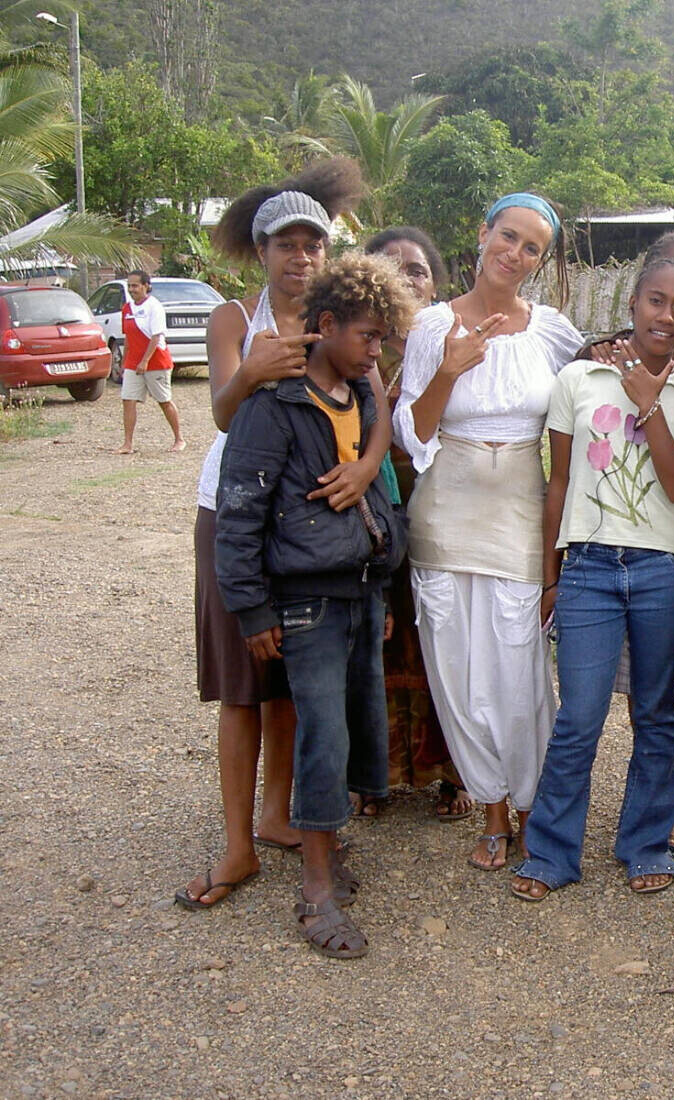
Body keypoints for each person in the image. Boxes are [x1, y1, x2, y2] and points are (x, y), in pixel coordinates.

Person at [177, 159, 377, 910]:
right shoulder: (236, 318)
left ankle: (278, 813)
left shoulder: (339, 314)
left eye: (313, 245)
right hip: (234, 511)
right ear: (260, 251)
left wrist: (365, 471)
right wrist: (253, 371)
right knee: (240, 683)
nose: (301, 258)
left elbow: (378, 402)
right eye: (286, 245)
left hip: (316, 521)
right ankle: (237, 846)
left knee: (296, 675)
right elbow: (224, 416)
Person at [214, 251, 413, 958]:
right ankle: (317, 887)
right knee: (322, 735)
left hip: (359, 594)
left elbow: (375, 494)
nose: (375, 351)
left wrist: (384, 583)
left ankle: (328, 848)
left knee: (355, 728)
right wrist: (252, 611)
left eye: (383, 339)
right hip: (305, 604)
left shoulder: (357, 397)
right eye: (366, 336)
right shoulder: (273, 406)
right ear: (325, 324)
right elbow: (240, 514)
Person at [511, 257, 674, 901]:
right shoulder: (579, 378)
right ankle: (549, 852)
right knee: (580, 716)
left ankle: (645, 844)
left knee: (656, 714)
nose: (666, 316)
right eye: (656, 301)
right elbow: (561, 481)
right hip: (590, 569)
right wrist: (552, 574)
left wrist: (650, 405)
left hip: (665, 569)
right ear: (632, 305)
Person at [394, 194, 582, 872]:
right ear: (483, 234)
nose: (516, 253)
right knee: (459, 669)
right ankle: (493, 808)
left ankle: (535, 807)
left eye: (532, 247)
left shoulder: (553, 332)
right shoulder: (430, 327)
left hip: (519, 516)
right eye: (509, 236)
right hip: (446, 511)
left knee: (519, 668)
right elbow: (412, 433)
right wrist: (449, 369)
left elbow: (581, 415)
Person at [354, 226, 470, 821]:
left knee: (444, 646)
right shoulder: (356, 352)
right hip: (373, 522)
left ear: (436, 282)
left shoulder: (462, 342)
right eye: (391, 268)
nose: (406, 280)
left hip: (447, 516)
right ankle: (378, 774)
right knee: (378, 644)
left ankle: (455, 773)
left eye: (417, 270)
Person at [115, 270, 185, 454]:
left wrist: (145, 361)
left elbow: (156, 337)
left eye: (135, 286)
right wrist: (125, 361)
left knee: (164, 400)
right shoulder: (127, 309)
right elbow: (128, 336)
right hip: (133, 363)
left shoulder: (155, 307)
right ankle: (127, 444)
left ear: (146, 286)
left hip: (156, 362)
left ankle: (179, 439)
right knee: (128, 399)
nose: (132, 289)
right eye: (129, 286)